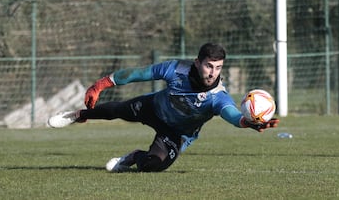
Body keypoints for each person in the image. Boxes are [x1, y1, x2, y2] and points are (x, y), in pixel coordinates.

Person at [48, 42, 279, 172]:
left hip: (177, 134)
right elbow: (139, 74)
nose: (213, 73)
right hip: (154, 108)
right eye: (209, 66)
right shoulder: (176, 69)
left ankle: (134, 156)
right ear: (198, 63)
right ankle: (77, 114)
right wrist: (101, 84)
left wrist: (246, 122)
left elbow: (231, 114)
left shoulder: (217, 97)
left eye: (218, 67)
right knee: (115, 110)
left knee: (153, 166)